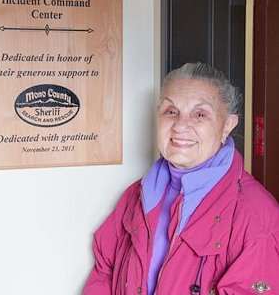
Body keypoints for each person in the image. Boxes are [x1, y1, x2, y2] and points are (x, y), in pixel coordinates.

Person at [83, 62, 279, 295]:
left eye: (200, 114)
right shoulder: (137, 195)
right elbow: (105, 272)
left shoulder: (256, 214)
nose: (180, 125)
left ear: (227, 126)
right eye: (171, 111)